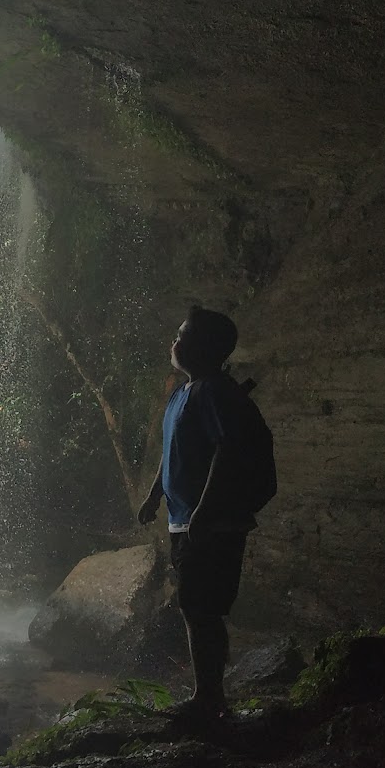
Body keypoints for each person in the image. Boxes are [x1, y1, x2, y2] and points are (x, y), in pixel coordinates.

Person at [138, 307, 256, 724]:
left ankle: (210, 698)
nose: (174, 341)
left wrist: (206, 508)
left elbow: (226, 450)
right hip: (186, 519)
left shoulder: (213, 393)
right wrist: (154, 495)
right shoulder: (181, 394)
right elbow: (171, 451)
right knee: (196, 606)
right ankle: (208, 695)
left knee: (201, 607)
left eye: (183, 335)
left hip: (211, 524)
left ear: (204, 348)